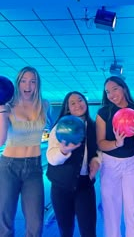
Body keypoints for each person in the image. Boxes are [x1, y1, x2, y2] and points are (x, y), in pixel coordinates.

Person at [0, 66, 52, 237]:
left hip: (34, 167)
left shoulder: (45, 105)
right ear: (18, 83)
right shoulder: (8, 105)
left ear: (38, 84)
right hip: (9, 167)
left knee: (35, 222)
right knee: (5, 220)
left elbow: (52, 131)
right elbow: (0, 140)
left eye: (32, 81)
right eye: (24, 80)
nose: (28, 85)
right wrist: (2, 113)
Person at [96, 76, 134, 237]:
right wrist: (117, 143)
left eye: (114, 89)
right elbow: (101, 143)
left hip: (132, 163)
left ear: (123, 88)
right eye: (107, 92)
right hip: (110, 163)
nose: (111, 94)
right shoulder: (103, 112)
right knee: (111, 209)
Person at [46, 91, 101, 237]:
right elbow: (51, 158)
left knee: (89, 231)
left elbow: (99, 150)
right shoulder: (60, 127)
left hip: (84, 186)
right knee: (66, 230)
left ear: (85, 102)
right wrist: (63, 151)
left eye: (80, 100)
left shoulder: (94, 127)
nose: (78, 105)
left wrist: (97, 160)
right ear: (68, 108)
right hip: (61, 186)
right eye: (73, 103)